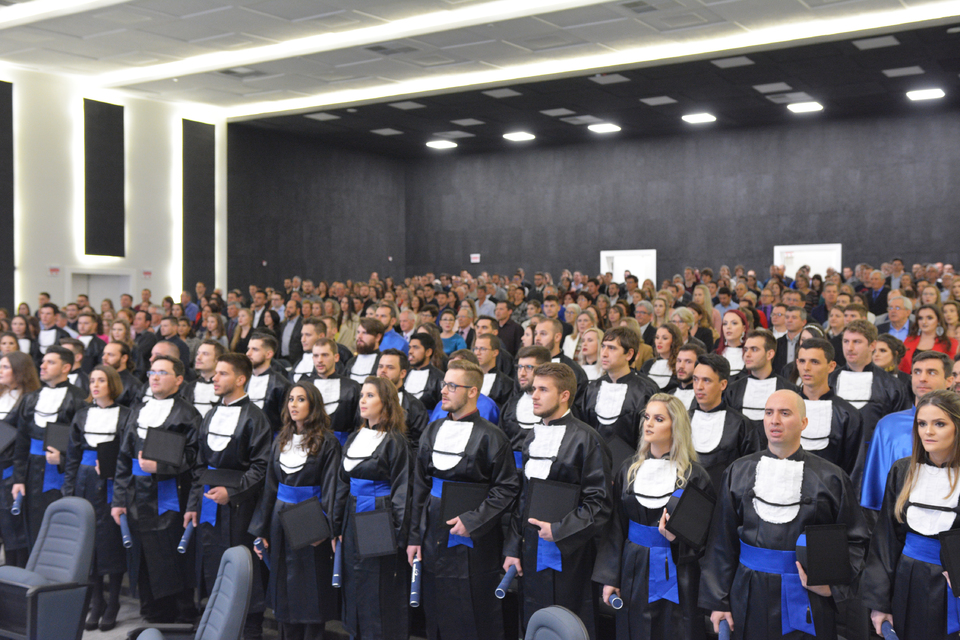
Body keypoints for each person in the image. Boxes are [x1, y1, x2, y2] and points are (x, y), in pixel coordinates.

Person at [699, 389, 869, 639]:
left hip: (808, 594)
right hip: (747, 593)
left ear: (804, 423)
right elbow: (721, 541)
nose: (774, 420)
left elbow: (855, 540)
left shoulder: (831, 478)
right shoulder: (738, 471)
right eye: (769, 413)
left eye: (784, 413)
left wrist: (833, 586)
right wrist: (718, 601)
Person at [408, 360, 520, 640]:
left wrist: (473, 520)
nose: (443, 391)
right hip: (433, 532)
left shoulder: (493, 437)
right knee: (435, 608)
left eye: (452, 386)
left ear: (473, 392)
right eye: (443, 384)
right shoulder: (431, 431)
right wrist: (413, 537)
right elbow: (419, 486)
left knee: (472, 610)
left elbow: (506, 489)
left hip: (474, 539)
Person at [503, 362, 612, 640]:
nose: (534, 396)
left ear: (564, 395)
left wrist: (559, 530)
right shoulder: (531, 437)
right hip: (530, 549)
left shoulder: (588, 440)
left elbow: (599, 504)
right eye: (532, 389)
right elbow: (523, 498)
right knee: (533, 621)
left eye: (542, 389)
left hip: (570, 553)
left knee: (569, 622)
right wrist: (513, 547)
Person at [595, 393, 715, 640]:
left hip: (679, 570)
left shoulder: (695, 476)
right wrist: (610, 577)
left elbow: (708, 539)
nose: (648, 424)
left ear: (676, 427)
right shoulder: (629, 468)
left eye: (658, 419)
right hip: (633, 567)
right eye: (647, 417)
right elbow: (615, 527)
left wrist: (677, 538)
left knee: (677, 629)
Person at [184, 353, 271, 639]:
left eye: (222, 374)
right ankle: (218, 619)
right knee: (213, 559)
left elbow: (262, 466)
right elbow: (199, 463)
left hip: (241, 504)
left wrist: (232, 493)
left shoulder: (255, 417)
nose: (214, 379)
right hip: (210, 500)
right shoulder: (210, 413)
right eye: (215, 373)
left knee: (244, 562)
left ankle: (251, 626)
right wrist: (194, 503)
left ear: (240, 379)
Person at [861, 390, 960, 638]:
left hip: (951, 589)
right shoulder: (903, 470)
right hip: (906, 581)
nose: (928, 431)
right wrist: (880, 602)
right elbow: (885, 541)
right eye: (922, 423)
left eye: (939, 424)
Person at [111, 355, 201, 623]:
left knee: (172, 554)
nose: (155, 376)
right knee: (143, 555)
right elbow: (123, 458)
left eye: (163, 372)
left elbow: (195, 461)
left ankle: (182, 611)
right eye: (152, 372)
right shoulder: (138, 410)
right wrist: (118, 499)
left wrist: (162, 467)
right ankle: (152, 610)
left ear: (179, 379)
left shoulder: (188, 414)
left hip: (171, 495)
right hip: (137, 495)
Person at [249, 382, 341, 640]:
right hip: (280, 519)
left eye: (301, 399)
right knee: (284, 588)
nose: (293, 404)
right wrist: (261, 530)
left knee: (311, 591)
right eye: (291, 399)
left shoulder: (328, 442)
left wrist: (323, 527)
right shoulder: (281, 439)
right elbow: (269, 487)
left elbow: (331, 487)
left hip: (310, 519)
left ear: (313, 405)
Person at [331, 376, 413, 640]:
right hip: (352, 517)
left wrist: (398, 534)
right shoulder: (355, 437)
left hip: (380, 516)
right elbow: (343, 483)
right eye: (362, 395)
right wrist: (336, 526)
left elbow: (402, 490)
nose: (362, 401)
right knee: (354, 583)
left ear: (386, 403)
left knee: (377, 588)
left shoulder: (395, 441)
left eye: (370, 396)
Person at [61, 365, 130, 631]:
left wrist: (111, 469)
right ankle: (96, 601)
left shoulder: (125, 415)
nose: (95, 385)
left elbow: (126, 451)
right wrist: (69, 491)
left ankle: (113, 602)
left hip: (111, 483)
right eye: (91, 381)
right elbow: (72, 455)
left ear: (112, 384)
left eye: (101, 380)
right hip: (84, 481)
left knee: (110, 542)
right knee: (88, 542)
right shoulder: (81, 414)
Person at [10, 345, 88, 547]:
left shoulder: (79, 398)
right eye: (43, 361)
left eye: (50, 362)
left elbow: (83, 444)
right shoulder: (31, 398)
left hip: (62, 473)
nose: (42, 366)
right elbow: (21, 442)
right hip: (31, 472)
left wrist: (63, 459)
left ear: (66, 367)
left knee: (60, 528)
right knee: (33, 527)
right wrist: (18, 478)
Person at [861, 351, 957, 512]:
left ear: (949, 380)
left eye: (931, 372)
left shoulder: (957, 423)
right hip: (895, 515)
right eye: (917, 372)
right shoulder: (888, 425)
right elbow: (874, 487)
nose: (922, 378)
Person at [830, 319, 911, 446]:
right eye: (846, 341)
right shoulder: (829, 381)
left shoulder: (892, 386)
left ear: (872, 345)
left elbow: (898, 428)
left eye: (857, 342)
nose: (849, 348)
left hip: (874, 453)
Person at [577, 327, 659, 451]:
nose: (604, 353)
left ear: (629, 354)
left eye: (612, 348)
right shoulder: (592, 389)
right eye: (603, 346)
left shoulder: (646, 390)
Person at [794, 338, 863, 476]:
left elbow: (854, 468)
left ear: (831, 366)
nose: (806, 367)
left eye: (814, 362)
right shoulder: (784, 408)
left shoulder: (848, 414)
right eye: (802, 361)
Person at [689, 353, 760, 487]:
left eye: (706, 380)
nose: (699, 387)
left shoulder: (741, 425)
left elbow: (750, 472)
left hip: (726, 497)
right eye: (695, 379)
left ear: (723, 384)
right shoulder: (683, 420)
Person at [0, 352, 39, 568]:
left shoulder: (29, 399)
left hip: (11, 471)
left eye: (5, 367)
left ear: (19, 371)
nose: (0, 371)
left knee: (14, 529)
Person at [724, 329, 798, 423]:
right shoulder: (733, 389)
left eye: (754, 349)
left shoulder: (788, 390)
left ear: (769, 354)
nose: (747, 354)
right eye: (746, 349)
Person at [499, 346, 552, 470]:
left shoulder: (554, 408)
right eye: (519, 367)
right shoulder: (510, 404)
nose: (522, 373)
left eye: (529, 367)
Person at [304, 338, 361, 447]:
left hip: (343, 443)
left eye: (325, 355)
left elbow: (358, 423)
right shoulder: (305, 386)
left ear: (336, 357)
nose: (319, 360)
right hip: (309, 441)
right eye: (316, 356)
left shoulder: (351, 387)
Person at [376, 348, 430, 449]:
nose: (383, 371)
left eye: (390, 367)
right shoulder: (365, 401)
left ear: (402, 373)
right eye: (380, 366)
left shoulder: (415, 406)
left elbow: (418, 446)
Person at [245, 332, 292, 434]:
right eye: (248, 348)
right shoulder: (242, 380)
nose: (248, 353)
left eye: (255, 349)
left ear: (269, 354)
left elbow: (285, 421)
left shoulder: (281, 385)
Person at [901, 303, 958, 373]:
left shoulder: (951, 343)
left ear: (938, 320)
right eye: (920, 318)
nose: (924, 322)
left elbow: (952, 370)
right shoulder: (909, 340)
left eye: (929, 318)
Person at [184, 339, 224, 418]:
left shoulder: (226, 389)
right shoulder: (188, 388)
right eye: (198, 354)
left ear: (217, 359)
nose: (198, 357)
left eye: (205, 354)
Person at [405, 332, 445, 410]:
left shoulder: (439, 378)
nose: (410, 351)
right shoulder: (404, 374)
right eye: (410, 347)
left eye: (415, 347)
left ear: (428, 352)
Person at [472, 333, 514, 407]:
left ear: (495, 353)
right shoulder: (467, 377)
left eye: (482, 349)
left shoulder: (505, 383)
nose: (477, 353)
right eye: (476, 348)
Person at [642, 323, 683, 390]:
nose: (659, 341)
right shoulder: (647, 365)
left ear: (674, 341)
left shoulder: (680, 365)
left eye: (665, 338)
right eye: (657, 337)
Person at [346, 317, 384, 384]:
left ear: (378, 337)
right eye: (358, 332)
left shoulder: (383, 362)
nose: (359, 336)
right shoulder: (351, 362)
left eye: (365, 333)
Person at [715, 309, 749, 377]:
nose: (728, 327)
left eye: (734, 323)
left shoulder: (750, 354)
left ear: (744, 328)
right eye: (725, 323)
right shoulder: (715, 355)